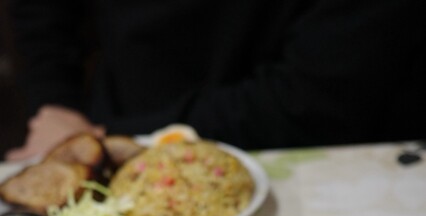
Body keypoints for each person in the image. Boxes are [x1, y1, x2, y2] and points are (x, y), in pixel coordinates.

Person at [5, 0, 425, 161]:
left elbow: (320, 95)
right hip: (108, 127)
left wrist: (108, 135)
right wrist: (55, 103)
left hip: (324, 152)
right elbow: (41, 14)